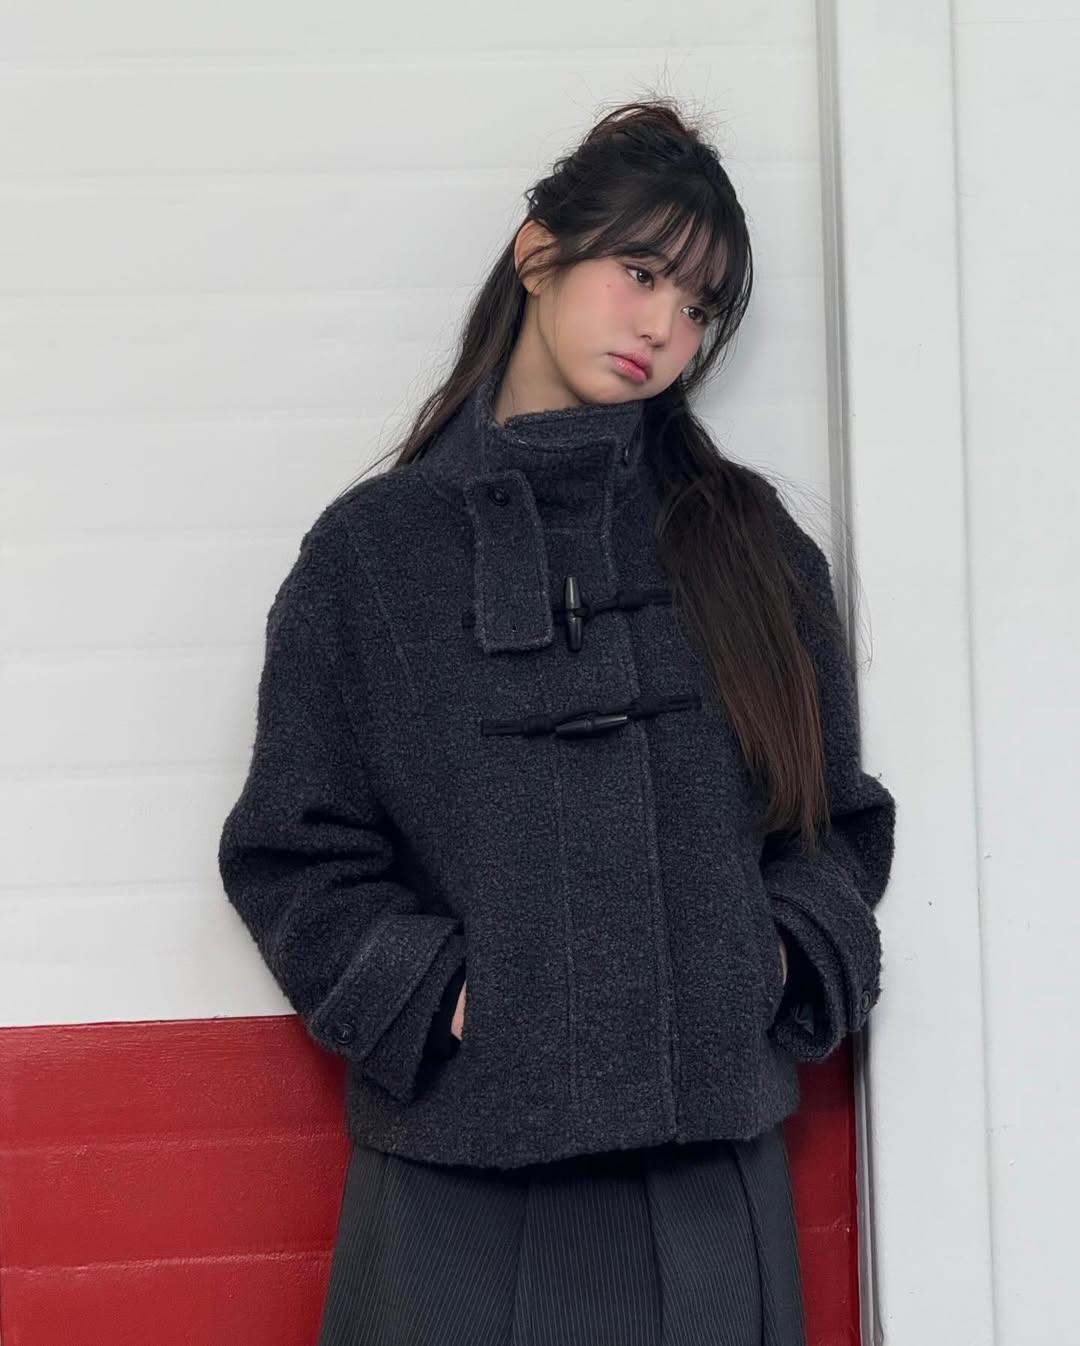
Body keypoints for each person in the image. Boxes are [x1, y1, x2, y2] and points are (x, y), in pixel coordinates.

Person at [217, 96, 897, 1346]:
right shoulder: (374, 555)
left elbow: (835, 825)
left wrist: (770, 962)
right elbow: (291, 849)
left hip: (708, 1181)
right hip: (459, 1180)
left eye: (698, 306)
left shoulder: (751, 546)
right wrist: (450, 998)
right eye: (640, 271)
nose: (663, 327)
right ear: (539, 253)